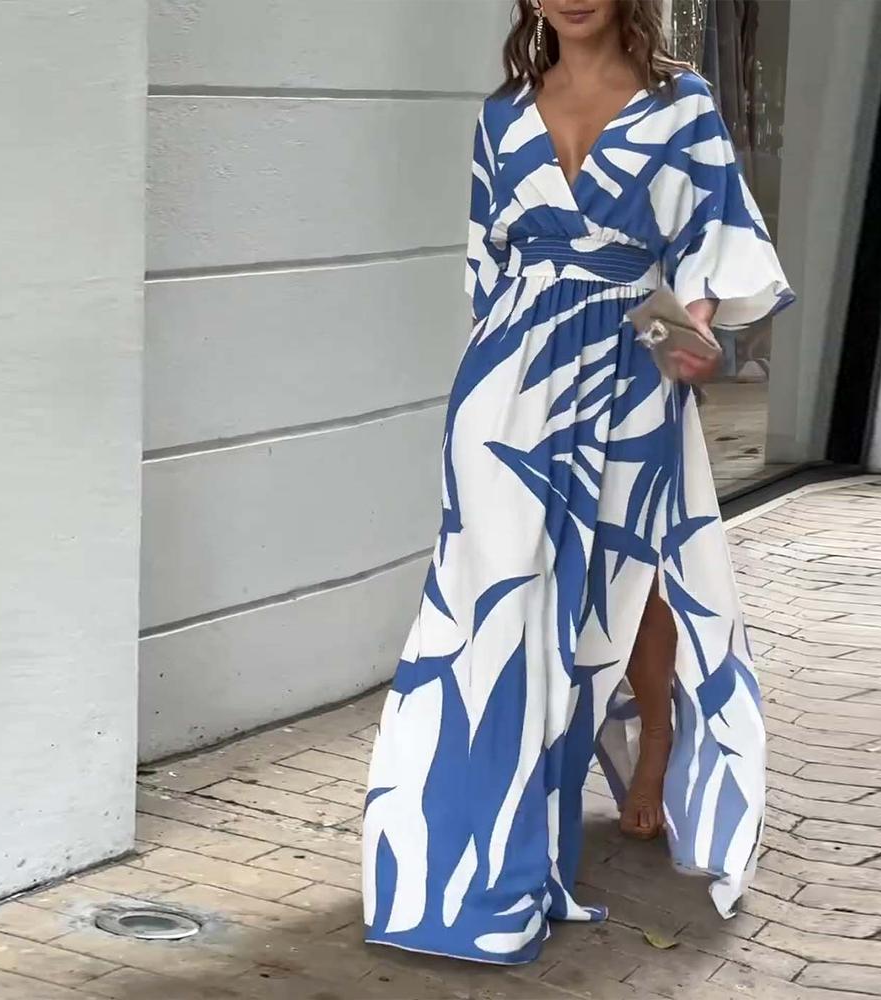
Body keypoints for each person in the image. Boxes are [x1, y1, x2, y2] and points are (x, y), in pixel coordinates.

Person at [362, 0, 792, 964]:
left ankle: (645, 754)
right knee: (488, 607)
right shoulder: (502, 114)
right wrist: (502, 372)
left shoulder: (682, 104)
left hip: (633, 368)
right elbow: (486, 266)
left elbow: (711, 247)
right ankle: (459, 867)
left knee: (619, 592)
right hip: (505, 385)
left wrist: (685, 339)